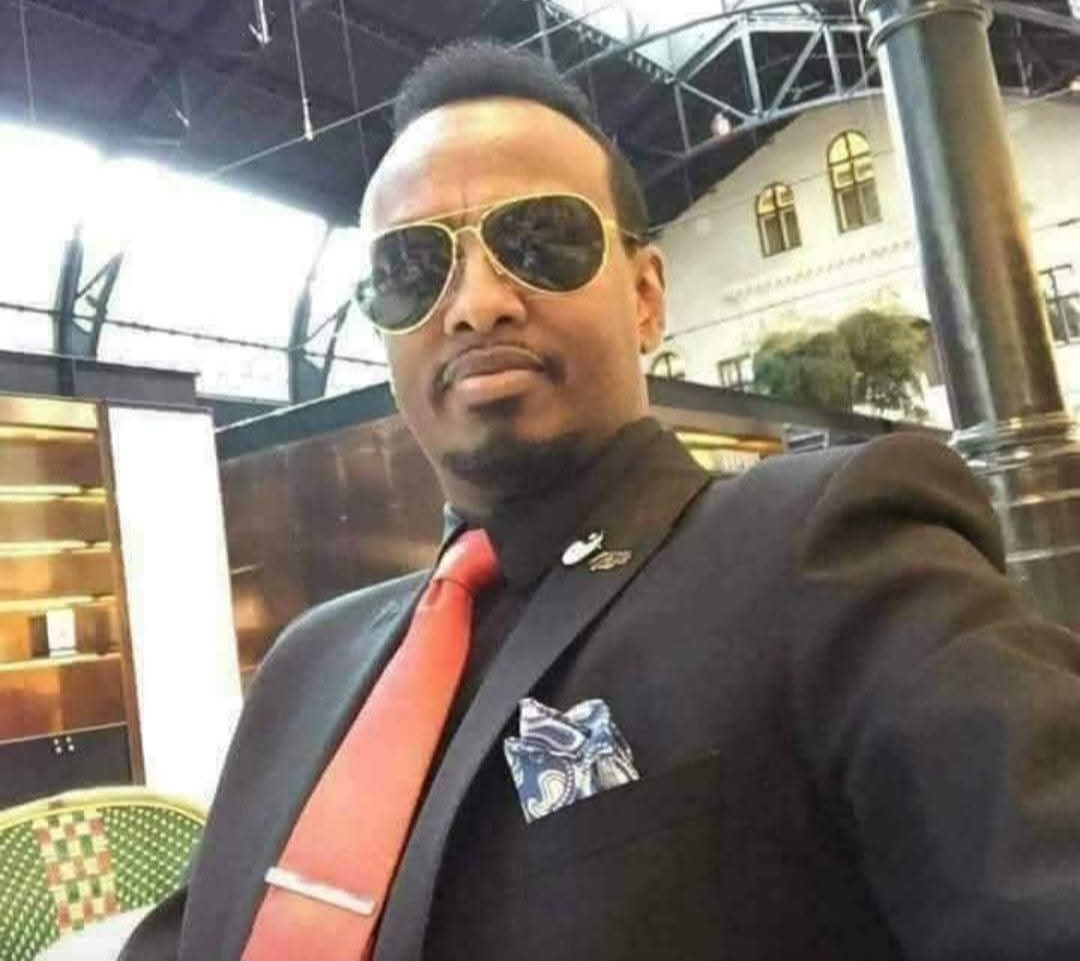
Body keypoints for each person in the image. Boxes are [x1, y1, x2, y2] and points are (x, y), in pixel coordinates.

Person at [118, 39, 1080, 961]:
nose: (477, 303)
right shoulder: (306, 665)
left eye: (541, 241)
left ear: (647, 296)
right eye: (413, 269)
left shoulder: (826, 548)